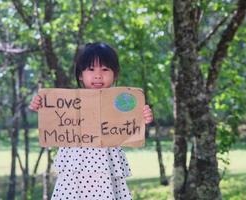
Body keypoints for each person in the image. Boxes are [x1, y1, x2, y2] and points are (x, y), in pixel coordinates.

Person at [29, 42, 153, 200]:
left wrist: (143, 117)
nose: (98, 75)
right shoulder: (67, 102)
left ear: (115, 74)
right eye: (91, 69)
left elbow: (132, 125)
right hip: (75, 168)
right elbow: (52, 117)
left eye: (105, 69)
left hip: (107, 166)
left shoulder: (122, 102)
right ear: (81, 74)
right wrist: (40, 106)